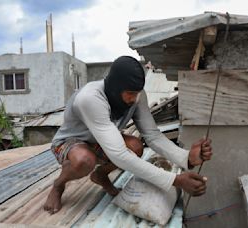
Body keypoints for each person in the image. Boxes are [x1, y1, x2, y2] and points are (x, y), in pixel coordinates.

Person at [44, 56, 212, 214]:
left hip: (99, 141)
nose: (135, 98)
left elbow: (152, 135)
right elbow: (119, 155)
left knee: (136, 146)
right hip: (70, 142)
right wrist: (175, 180)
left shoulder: (137, 96)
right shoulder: (90, 98)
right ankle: (58, 185)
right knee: (84, 160)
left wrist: (186, 157)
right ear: (115, 88)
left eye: (138, 92)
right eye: (130, 93)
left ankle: (100, 175)